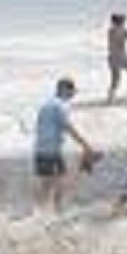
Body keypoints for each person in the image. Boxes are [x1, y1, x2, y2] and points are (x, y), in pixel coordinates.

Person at [33, 77, 97, 212]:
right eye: (71, 91)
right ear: (63, 90)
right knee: (59, 181)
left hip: (40, 148)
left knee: (46, 182)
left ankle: (39, 211)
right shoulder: (59, 105)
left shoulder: (46, 104)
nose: (73, 95)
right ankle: (57, 210)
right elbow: (67, 127)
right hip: (52, 150)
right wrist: (85, 145)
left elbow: (40, 126)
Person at [107, 13, 127, 102]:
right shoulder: (117, 31)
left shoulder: (112, 30)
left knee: (116, 78)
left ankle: (111, 96)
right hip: (120, 56)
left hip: (113, 57)